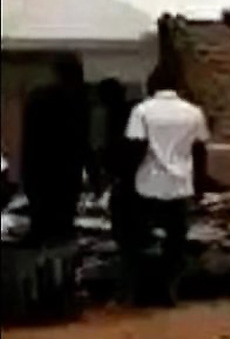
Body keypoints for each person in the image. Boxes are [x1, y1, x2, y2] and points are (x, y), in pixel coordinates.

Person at [125, 68, 209, 305]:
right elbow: (200, 150)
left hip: (148, 184)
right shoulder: (194, 113)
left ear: (151, 85)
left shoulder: (141, 111)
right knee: (175, 242)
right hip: (180, 186)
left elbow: (136, 147)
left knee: (144, 240)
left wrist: (125, 178)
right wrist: (200, 184)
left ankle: (143, 292)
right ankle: (169, 290)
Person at [20, 54, 96, 244]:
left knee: (41, 224)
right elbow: (83, 140)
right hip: (67, 171)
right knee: (63, 227)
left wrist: (25, 174)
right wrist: (93, 173)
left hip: (39, 170)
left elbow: (28, 139)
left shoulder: (37, 98)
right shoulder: (79, 100)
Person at [97, 78, 140, 301]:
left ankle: (128, 290)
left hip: (127, 186)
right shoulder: (131, 114)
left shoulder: (118, 119)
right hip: (135, 185)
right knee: (131, 243)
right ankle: (131, 289)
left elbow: (111, 156)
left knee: (128, 243)